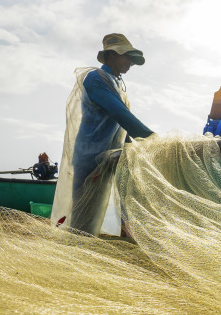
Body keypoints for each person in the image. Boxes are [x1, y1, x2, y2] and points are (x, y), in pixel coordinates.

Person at [51, 33, 154, 235]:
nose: (131, 63)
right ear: (112, 55)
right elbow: (119, 113)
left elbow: (119, 125)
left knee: (98, 209)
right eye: (127, 57)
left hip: (106, 155)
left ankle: (89, 245)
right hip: (90, 156)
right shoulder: (96, 78)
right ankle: (77, 250)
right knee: (84, 213)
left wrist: (134, 145)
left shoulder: (116, 83)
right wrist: (151, 139)